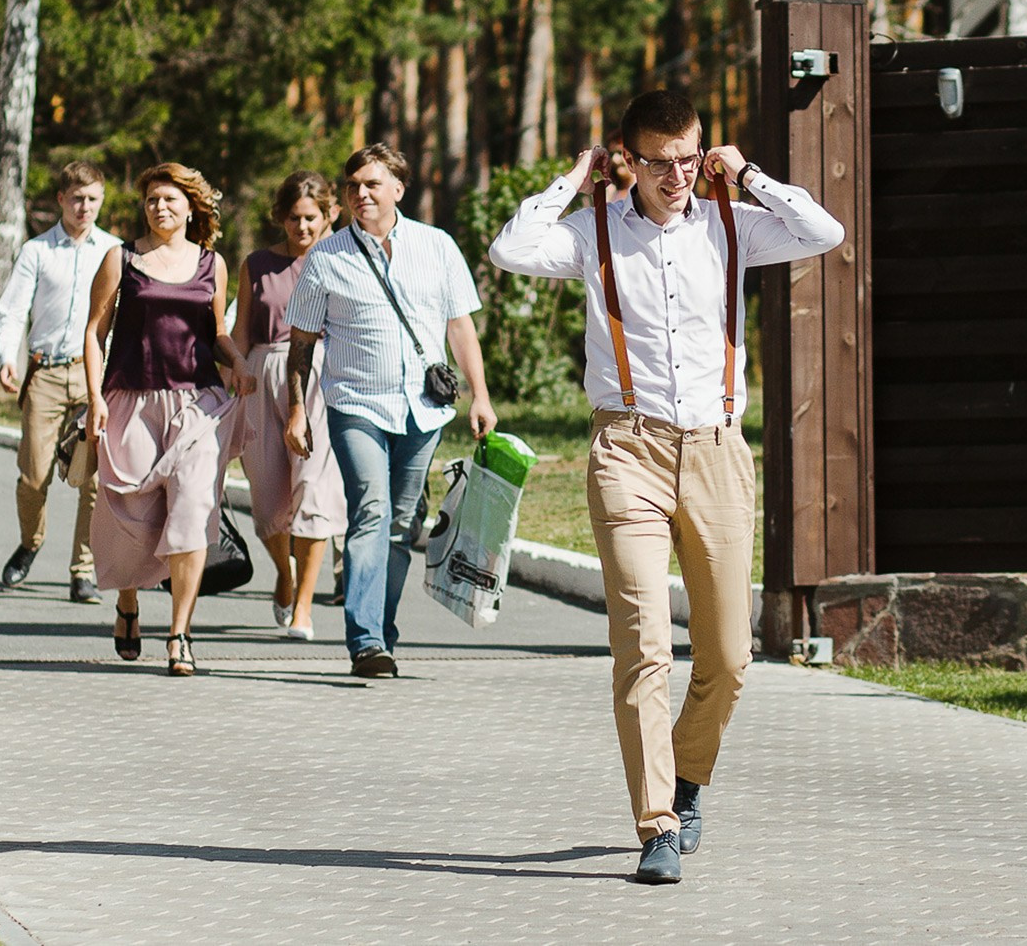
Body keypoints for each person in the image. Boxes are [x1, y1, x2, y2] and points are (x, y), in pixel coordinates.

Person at [487, 89, 843, 886]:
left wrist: (747, 173)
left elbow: (825, 231)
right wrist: (573, 179)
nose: (678, 173)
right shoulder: (593, 231)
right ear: (629, 159)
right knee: (643, 645)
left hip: (716, 450)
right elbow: (512, 247)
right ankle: (655, 820)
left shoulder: (730, 222)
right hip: (626, 449)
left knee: (729, 653)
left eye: (689, 156)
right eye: (660, 160)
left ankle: (688, 778)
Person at [283, 144, 496, 679]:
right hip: (355, 404)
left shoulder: (437, 247)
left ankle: (383, 629)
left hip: (423, 410)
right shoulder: (326, 259)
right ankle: (366, 639)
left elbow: (460, 328)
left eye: (372, 184)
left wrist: (482, 395)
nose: (361, 194)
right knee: (372, 510)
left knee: (404, 523)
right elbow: (301, 344)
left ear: (399, 189)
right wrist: (295, 410)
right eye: (353, 186)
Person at [83, 163, 250, 677]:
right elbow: (93, 333)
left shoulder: (212, 264)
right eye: (152, 200)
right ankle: (128, 604)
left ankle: (180, 633)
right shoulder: (122, 258)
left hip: (196, 403)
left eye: (170, 200)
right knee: (129, 511)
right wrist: (95, 398)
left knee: (194, 508)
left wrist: (237, 360)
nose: (160, 208)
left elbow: (217, 330)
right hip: (130, 399)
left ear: (190, 206)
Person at [221, 171, 345, 640]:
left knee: (313, 494)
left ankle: (305, 608)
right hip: (263, 376)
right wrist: (233, 370)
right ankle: (285, 574)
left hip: (324, 379)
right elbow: (241, 329)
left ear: (330, 213)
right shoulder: (256, 264)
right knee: (269, 500)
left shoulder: (342, 258)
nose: (303, 227)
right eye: (294, 218)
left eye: (311, 217)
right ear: (281, 218)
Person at [0, 161, 120, 603]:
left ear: (102, 200)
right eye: (77, 198)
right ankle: (31, 542)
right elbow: (12, 309)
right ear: (62, 200)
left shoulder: (115, 252)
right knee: (34, 475)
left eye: (93, 199)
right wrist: (7, 356)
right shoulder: (37, 251)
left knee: (92, 480)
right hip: (45, 373)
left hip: (94, 377)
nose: (85, 207)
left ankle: (82, 569)